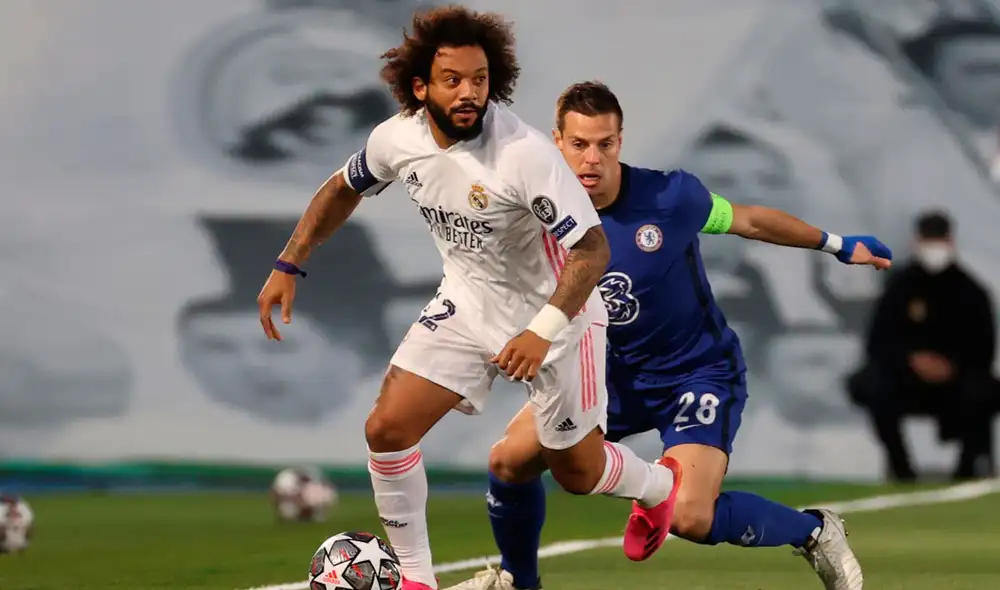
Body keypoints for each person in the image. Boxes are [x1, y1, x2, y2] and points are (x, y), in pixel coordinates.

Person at [256, 8, 680, 590]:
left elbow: (592, 252)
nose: (469, 93)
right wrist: (289, 261)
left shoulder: (523, 154)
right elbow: (341, 189)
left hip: (561, 319)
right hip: (467, 302)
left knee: (578, 472)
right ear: (419, 87)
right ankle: (416, 580)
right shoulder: (396, 139)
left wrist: (542, 330)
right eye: (453, 80)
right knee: (387, 429)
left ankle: (658, 486)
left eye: (479, 80)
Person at [447, 82, 893, 590]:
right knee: (507, 461)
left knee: (688, 517)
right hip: (604, 377)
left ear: (620, 142)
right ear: (557, 141)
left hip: (695, 373)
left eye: (604, 144)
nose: (591, 158)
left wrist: (837, 244)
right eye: (578, 144)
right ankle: (519, 582)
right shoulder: (534, 213)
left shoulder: (670, 197)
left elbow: (746, 220)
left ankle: (815, 531)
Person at [847, 210, 999, 481]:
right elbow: (879, 340)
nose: (933, 247)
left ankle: (966, 472)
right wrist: (912, 360)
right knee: (868, 383)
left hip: (957, 380)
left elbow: (983, 345)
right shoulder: (900, 286)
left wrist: (951, 365)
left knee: (984, 390)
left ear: (950, 242)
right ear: (917, 241)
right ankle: (901, 468)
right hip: (905, 378)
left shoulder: (970, 290)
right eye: (929, 239)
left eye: (938, 240)